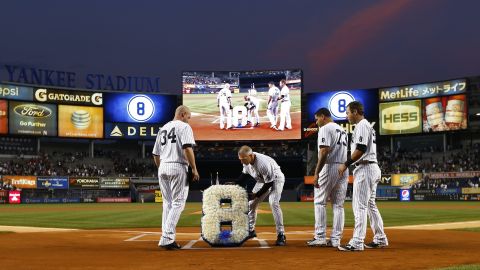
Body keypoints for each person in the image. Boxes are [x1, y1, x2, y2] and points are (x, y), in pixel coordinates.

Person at [337, 101, 388, 251]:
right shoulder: (366, 126)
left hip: (365, 168)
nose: (346, 116)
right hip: (371, 167)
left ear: (355, 111)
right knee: (370, 206)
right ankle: (380, 238)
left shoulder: (361, 126)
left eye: (347, 112)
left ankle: (357, 242)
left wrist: (345, 163)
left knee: (359, 206)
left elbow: (360, 149)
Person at [152, 105, 200, 250]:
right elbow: (187, 148)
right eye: (189, 117)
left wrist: (161, 168)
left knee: (167, 204)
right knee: (178, 203)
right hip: (177, 166)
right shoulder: (184, 127)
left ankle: (166, 236)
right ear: (183, 114)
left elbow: (155, 154)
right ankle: (167, 237)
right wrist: (194, 168)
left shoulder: (163, 129)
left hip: (163, 167)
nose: (189, 120)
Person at [306, 108, 348, 247]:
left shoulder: (325, 128)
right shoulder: (342, 129)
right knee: (338, 205)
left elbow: (323, 152)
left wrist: (317, 172)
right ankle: (336, 239)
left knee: (319, 202)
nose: (316, 122)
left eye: (317, 119)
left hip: (330, 166)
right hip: (343, 167)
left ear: (323, 117)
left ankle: (320, 237)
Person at [237, 145, 286, 246]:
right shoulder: (246, 162)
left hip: (276, 179)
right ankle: (251, 230)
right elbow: (244, 176)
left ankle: (281, 234)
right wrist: (234, 183)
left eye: (243, 159)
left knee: (273, 202)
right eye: (240, 159)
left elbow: (269, 183)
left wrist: (257, 195)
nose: (241, 162)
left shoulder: (263, 164)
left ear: (251, 155)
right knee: (251, 204)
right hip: (262, 180)